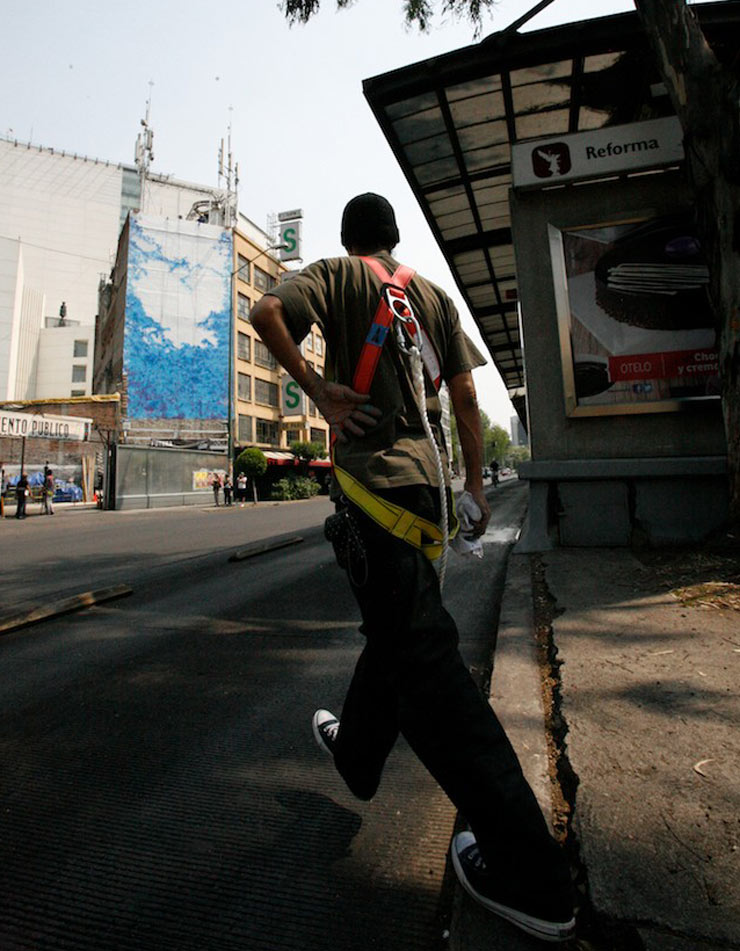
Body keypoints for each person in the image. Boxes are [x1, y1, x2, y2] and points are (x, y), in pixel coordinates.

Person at [251, 193, 575, 943]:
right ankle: (357, 753)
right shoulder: (431, 295)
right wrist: (472, 485)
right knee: (399, 631)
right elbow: (465, 396)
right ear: (394, 239)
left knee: (424, 663)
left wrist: (319, 391)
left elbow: (267, 312)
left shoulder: (336, 274)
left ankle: (536, 879)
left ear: (349, 239)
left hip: (374, 491)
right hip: (428, 495)